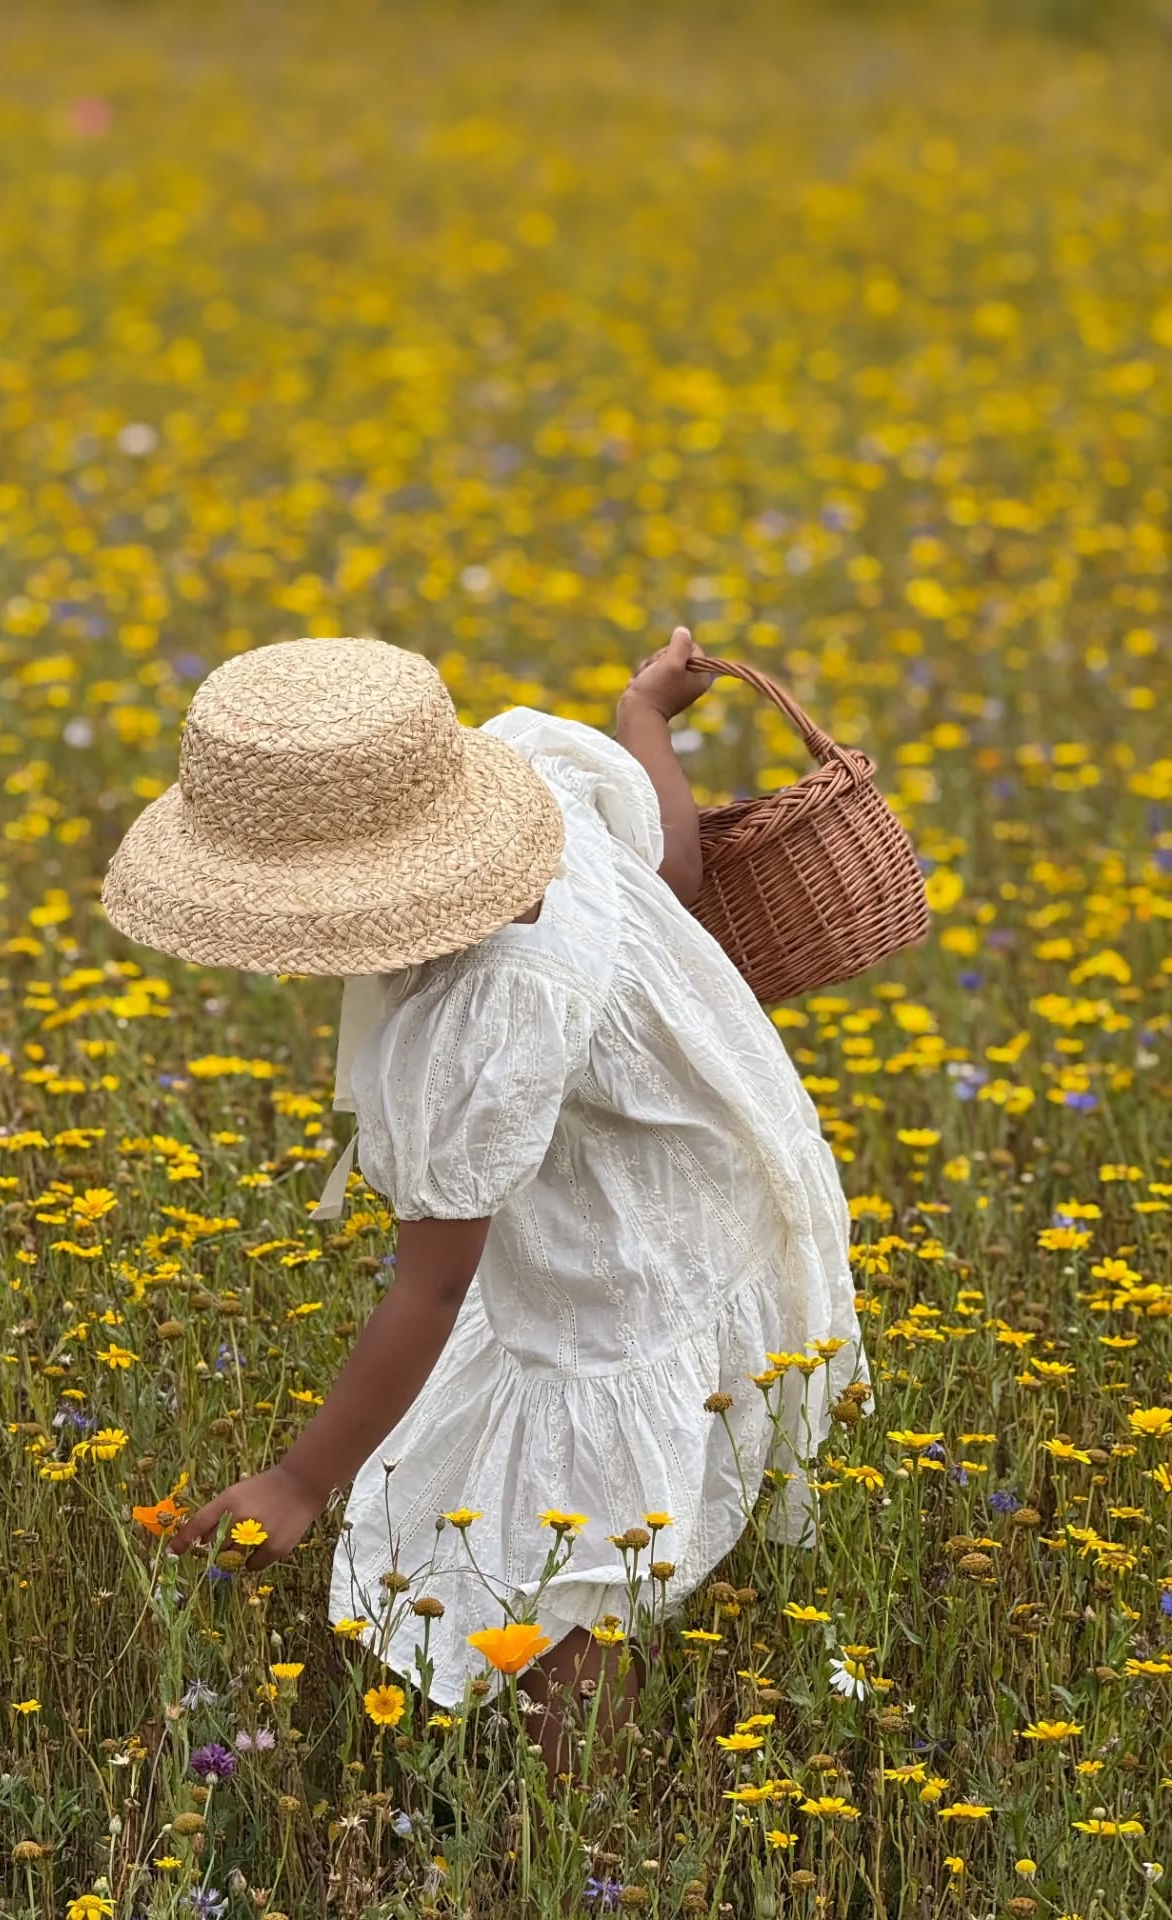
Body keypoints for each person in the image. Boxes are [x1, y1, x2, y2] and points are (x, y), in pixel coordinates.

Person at [101, 628, 863, 1766]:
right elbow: (676, 872)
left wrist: (303, 1479)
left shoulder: (489, 1009)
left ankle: (582, 1822)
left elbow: (439, 1279)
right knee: (612, 1511)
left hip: (626, 1257)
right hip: (706, 1182)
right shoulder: (538, 792)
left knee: (577, 1568)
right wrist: (643, 721)